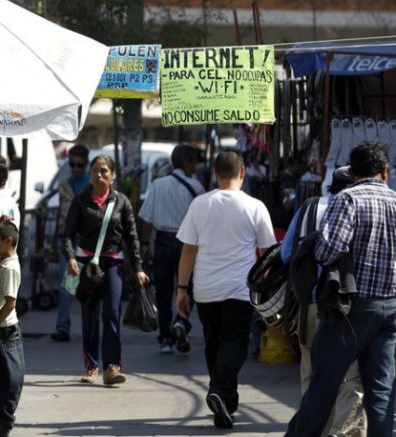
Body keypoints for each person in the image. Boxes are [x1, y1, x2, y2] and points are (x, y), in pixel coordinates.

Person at [285, 141, 396, 437]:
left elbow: (328, 251)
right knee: (381, 390)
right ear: (385, 173)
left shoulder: (348, 200)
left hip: (352, 309)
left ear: (351, 173)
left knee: (323, 385)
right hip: (390, 308)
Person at [176, 149, 276, 429]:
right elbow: (268, 254)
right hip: (239, 289)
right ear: (242, 173)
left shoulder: (200, 204)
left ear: (215, 174)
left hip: (205, 288)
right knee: (235, 344)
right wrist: (266, 288)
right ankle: (220, 392)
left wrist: (181, 290)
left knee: (214, 345)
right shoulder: (255, 206)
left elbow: (187, 251)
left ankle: (225, 402)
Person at [281, 166, 367, 437]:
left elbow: (286, 253)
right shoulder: (361, 210)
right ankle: (345, 431)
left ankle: (314, 429)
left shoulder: (309, 208)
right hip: (347, 304)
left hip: (311, 303)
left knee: (311, 371)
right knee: (350, 373)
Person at [63, 155, 150, 385]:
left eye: (103, 171)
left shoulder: (121, 202)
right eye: (95, 171)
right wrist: (70, 257)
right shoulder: (80, 201)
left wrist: (138, 268)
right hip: (87, 265)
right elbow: (68, 232)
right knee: (90, 316)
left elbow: (132, 238)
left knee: (111, 313)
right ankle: (91, 367)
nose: (98, 176)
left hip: (113, 263)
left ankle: (112, 367)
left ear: (112, 175)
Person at [138, 143, 205, 354]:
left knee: (164, 292)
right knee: (188, 289)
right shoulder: (197, 188)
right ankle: (181, 323)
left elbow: (147, 218)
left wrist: (144, 244)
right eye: (194, 162)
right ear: (187, 162)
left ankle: (166, 338)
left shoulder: (157, 185)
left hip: (164, 242)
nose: (195, 167)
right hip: (189, 244)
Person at [0, 219, 25, 437]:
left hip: (5, 331)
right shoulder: (2, 262)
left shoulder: (9, 267)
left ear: (8, 241)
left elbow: (10, 302)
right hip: (1, 330)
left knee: (8, 382)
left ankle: (3, 427)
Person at [51, 144, 90, 342]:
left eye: (79, 165)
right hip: (66, 237)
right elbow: (61, 211)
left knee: (88, 285)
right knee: (66, 285)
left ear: (86, 164)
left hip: (87, 239)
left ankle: (89, 327)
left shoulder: (93, 184)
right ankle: (62, 327)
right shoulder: (64, 184)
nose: (75, 168)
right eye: (72, 164)